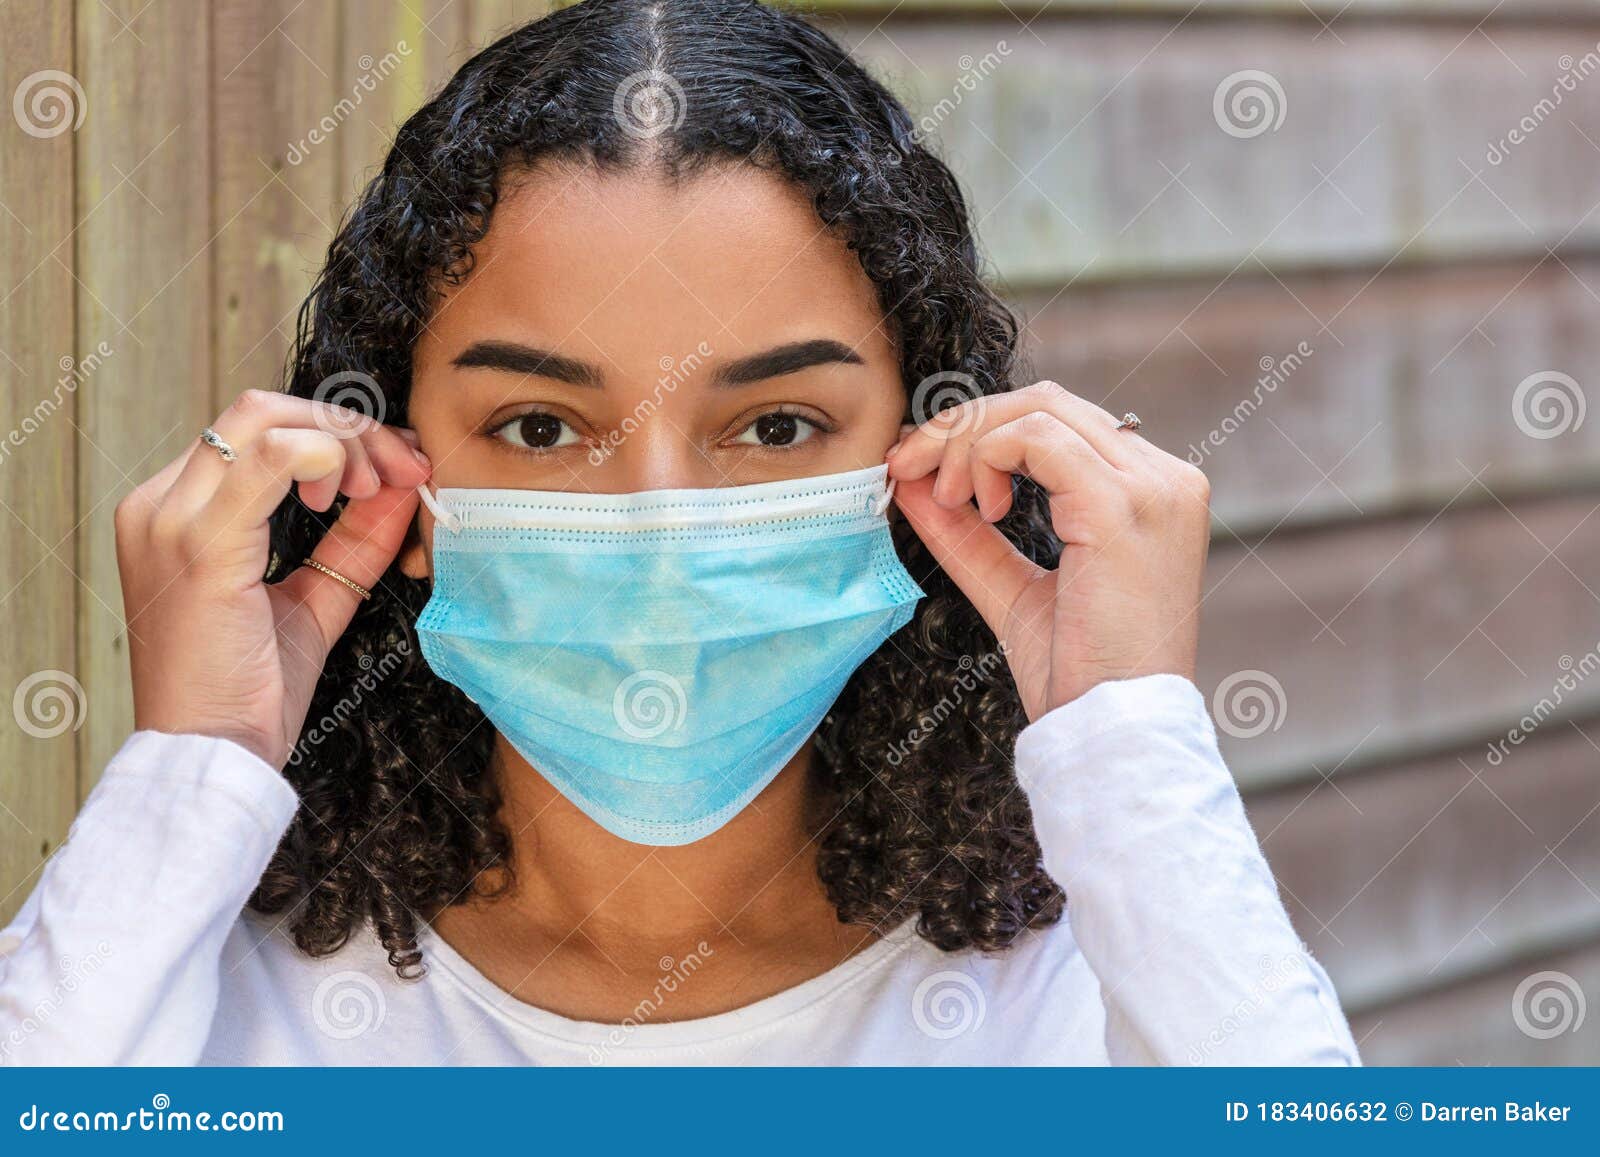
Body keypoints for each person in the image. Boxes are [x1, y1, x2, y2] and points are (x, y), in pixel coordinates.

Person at [0, 0, 1357, 1065]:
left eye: (773, 425)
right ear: (389, 485)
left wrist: (1124, 727)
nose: (660, 524)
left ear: (930, 460)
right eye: (539, 426)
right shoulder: (194, 1007)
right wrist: (197, 766)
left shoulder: (1108, 1003)